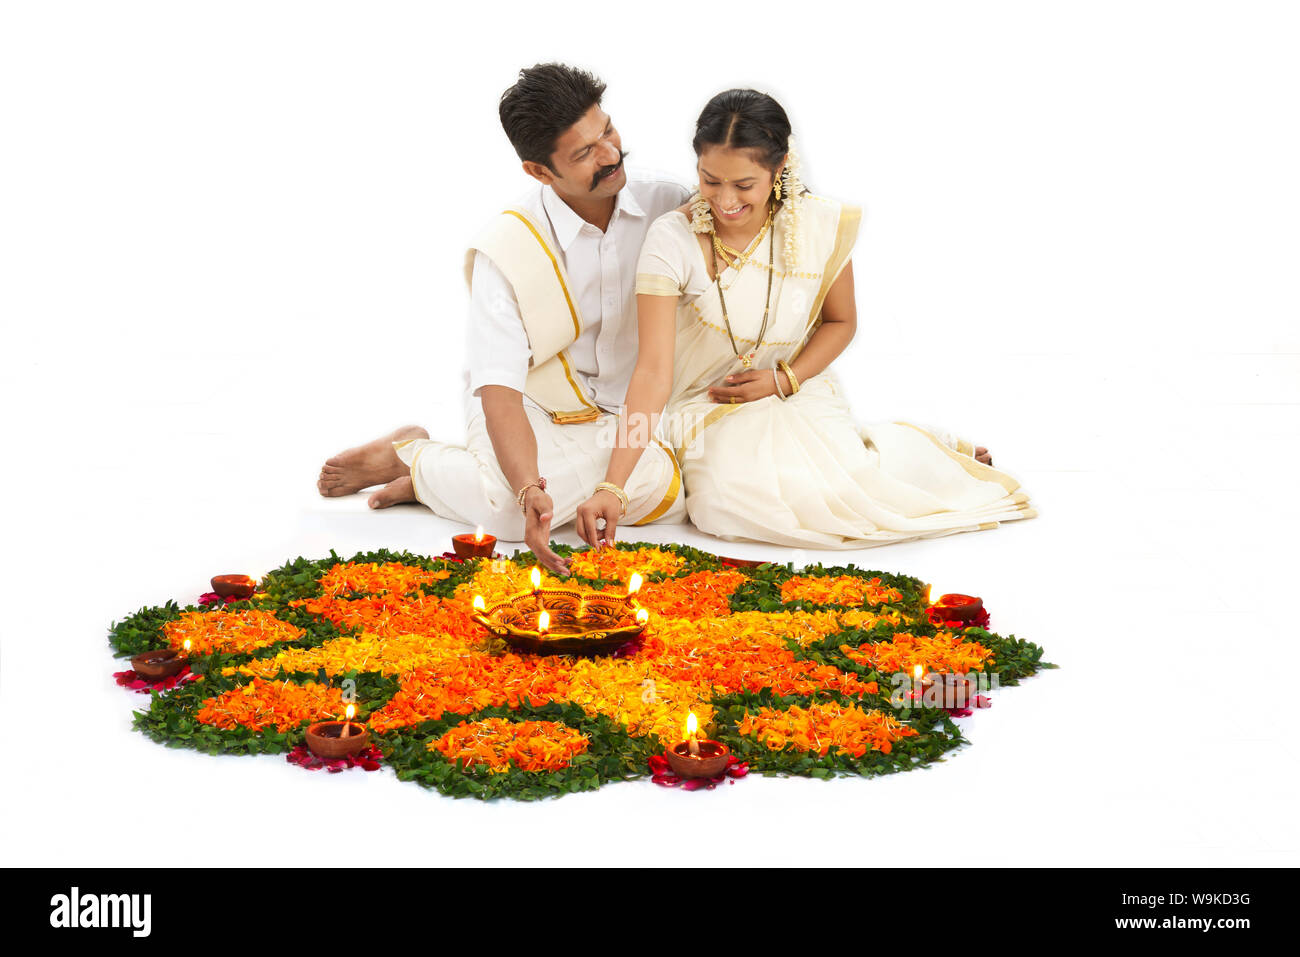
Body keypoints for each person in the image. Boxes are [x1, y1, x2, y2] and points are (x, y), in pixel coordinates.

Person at [574, 89, 1036, 549]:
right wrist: (612, 486)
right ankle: (897, 449)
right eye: (710, 180)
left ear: (780, 168)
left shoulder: (815, 223)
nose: (723, 200)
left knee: (843, 486)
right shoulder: (670, 240)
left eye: (744, 185)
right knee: (730, 506)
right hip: (704, 408)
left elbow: (841, 322)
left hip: (796, 388)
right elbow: (652, 371)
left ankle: (922, 449)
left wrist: (782, 380)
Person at [317, 64, 689, 573]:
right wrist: (527, 489)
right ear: (540, 172)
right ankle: (418, 456)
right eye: (583, 153)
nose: (609, 155)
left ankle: (427, 472)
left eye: (606, 131)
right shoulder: (508, 247)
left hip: (632, 409)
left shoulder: (668, 203)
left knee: (683, 487)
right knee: (512, 513)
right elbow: (501, 391)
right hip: (534, 401)